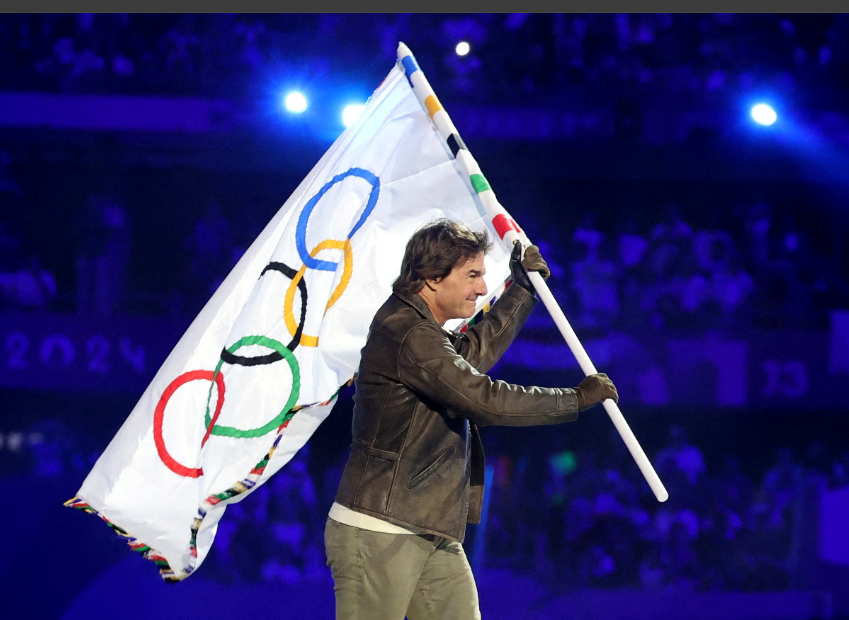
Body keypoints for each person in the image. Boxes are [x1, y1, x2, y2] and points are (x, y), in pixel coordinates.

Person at [324, 218, 618, 620]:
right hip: (379, 528)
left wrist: (523, 290)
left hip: (429, 528)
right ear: (430, 278)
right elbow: (482, 399)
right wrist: (573, 399)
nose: (482, 288)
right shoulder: (407, 332)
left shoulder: (422, 330)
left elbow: (469, 358)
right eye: (473, 275)